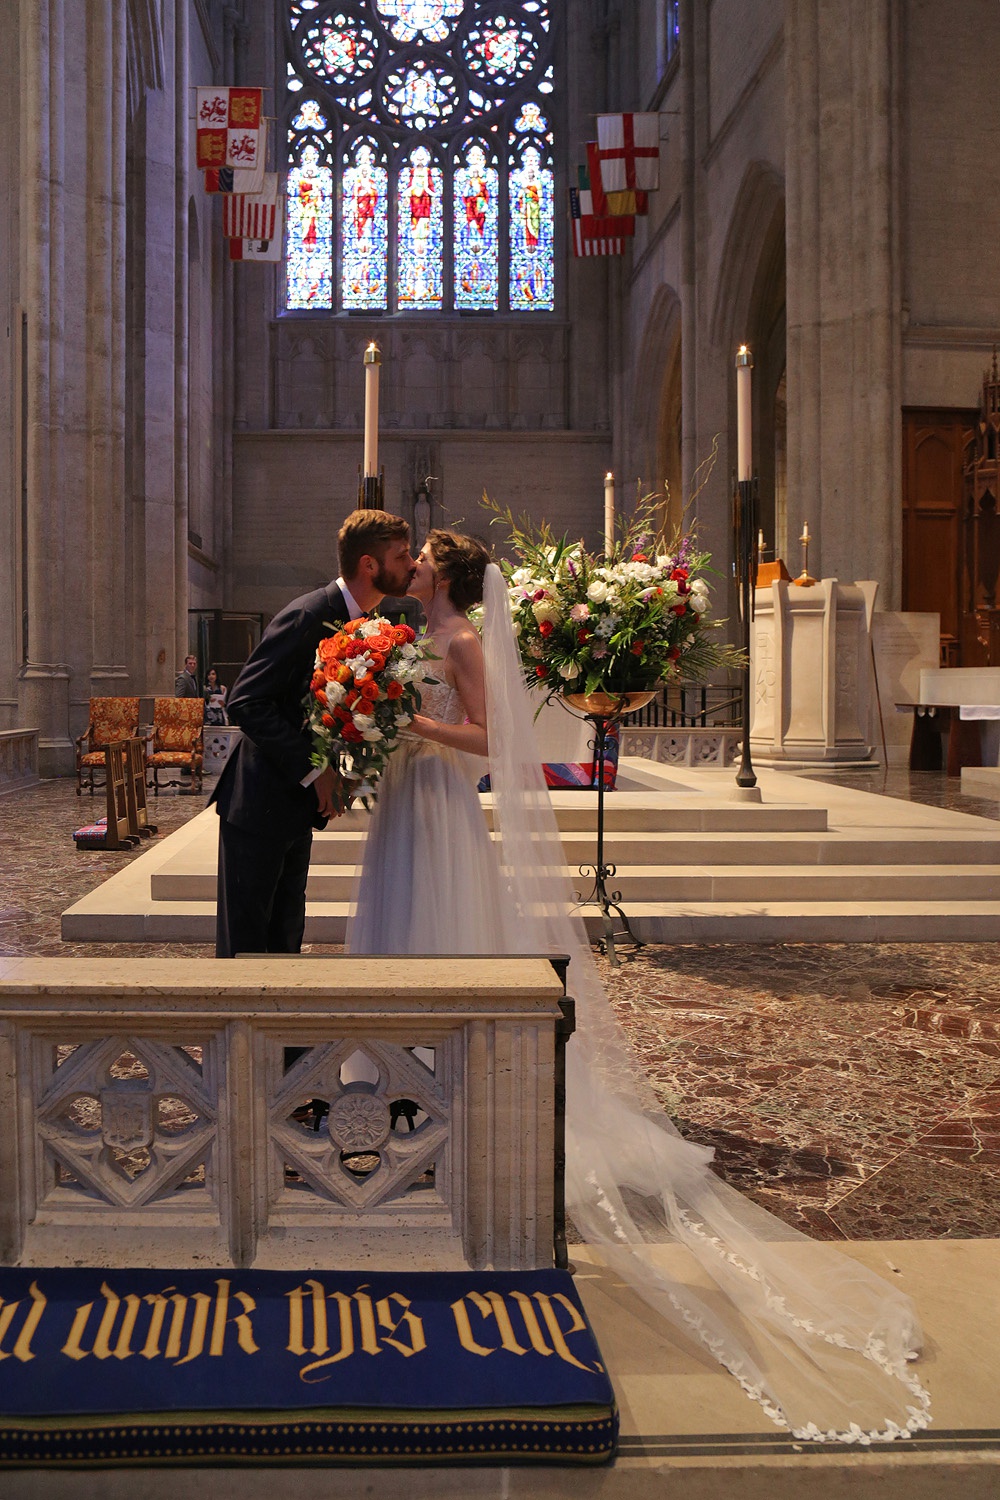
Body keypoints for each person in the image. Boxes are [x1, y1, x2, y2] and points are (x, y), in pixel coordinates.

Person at [346, 529, 932, 1443]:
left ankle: (438, 1074)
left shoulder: (458, 642)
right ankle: (393, 1070)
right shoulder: (411, 634)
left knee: (444, 937)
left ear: (446, 574)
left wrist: (407, 725)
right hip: (406, 807)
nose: (408, 565)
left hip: (440, 809)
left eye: (420, 557)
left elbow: (494, 738)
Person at [212, 508, 414, 960]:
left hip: (291, 804)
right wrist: (315, 768)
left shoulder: (357, 622)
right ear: (369, 564)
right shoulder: (309, 615)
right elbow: (246, 701)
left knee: (284, 942)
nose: (411, 565)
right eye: (401, 556)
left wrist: (338, 767)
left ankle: (278, 1034)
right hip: (258, 806)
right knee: (247, 948)